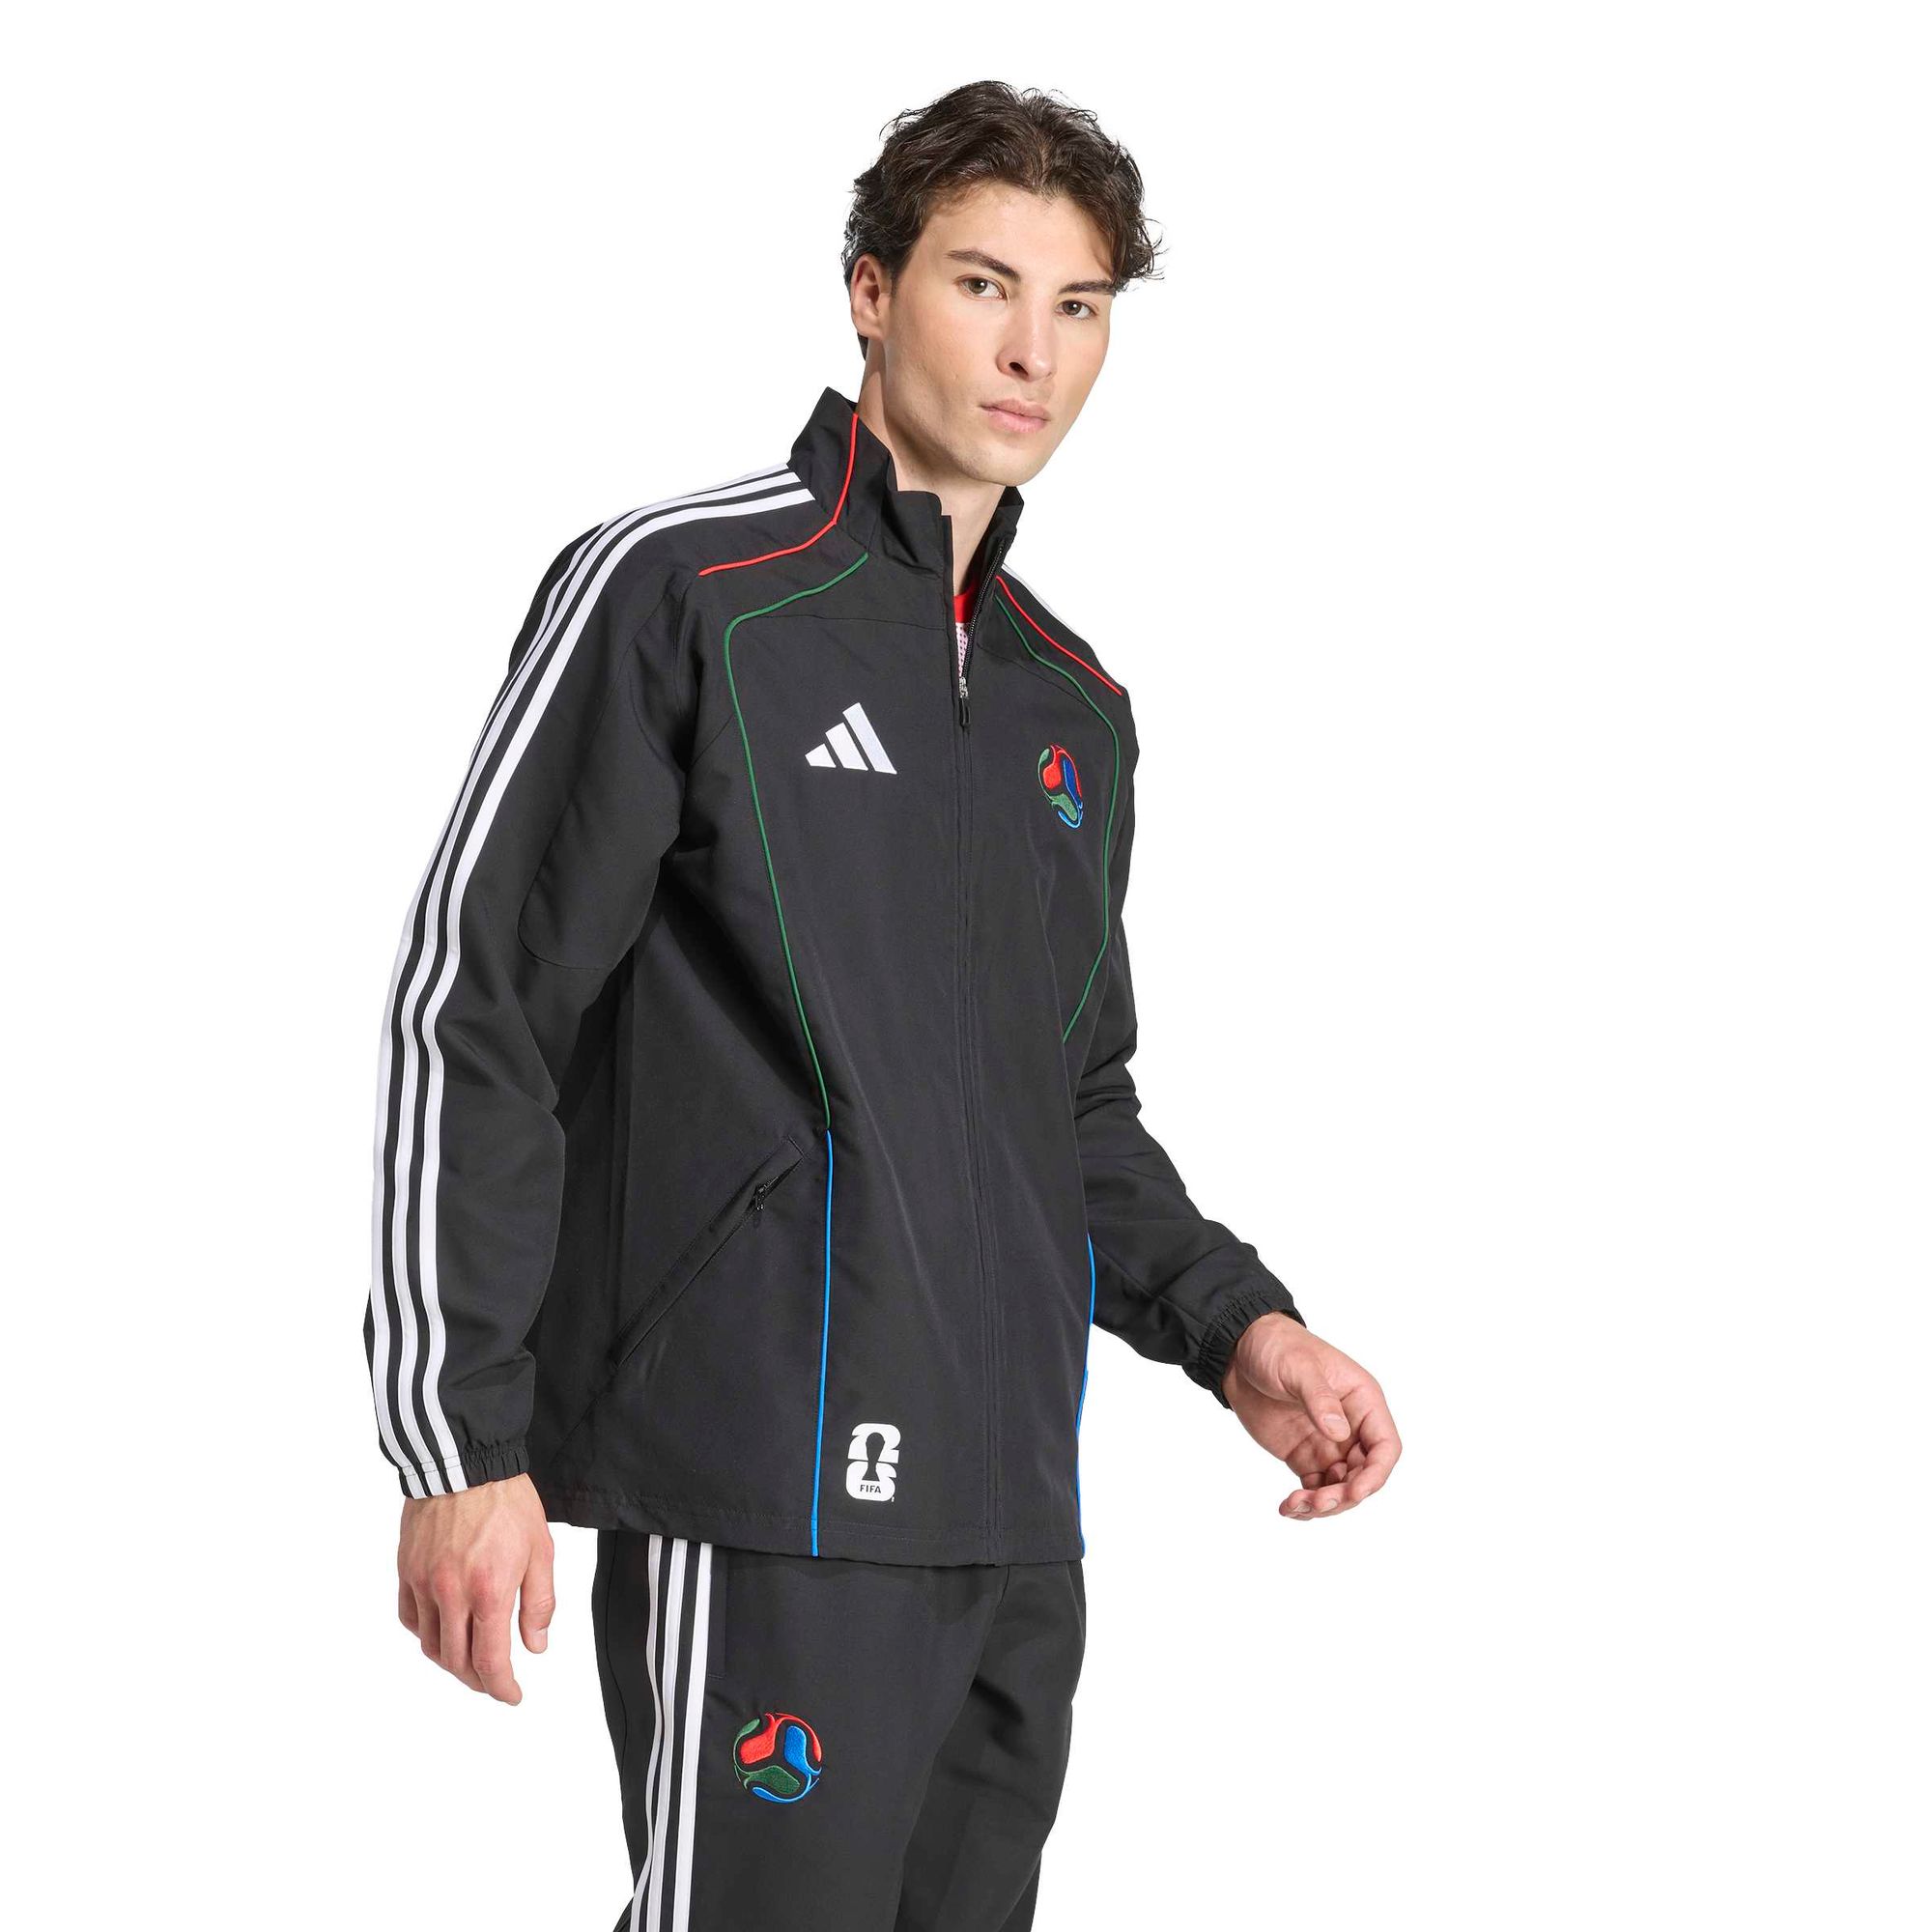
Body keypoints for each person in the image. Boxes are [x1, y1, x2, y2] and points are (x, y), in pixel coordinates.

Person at [366, 78, 1401, 1932]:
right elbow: (481, 1002)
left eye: (1077, 307)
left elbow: (1071, 1108)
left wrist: (1240, 1329)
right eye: (982, 285)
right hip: (767, 1488)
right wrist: (461, 1441)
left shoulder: (1073, 706)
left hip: (1009, 1519)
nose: (1031, 354)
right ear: (869, 291)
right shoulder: (690, 594)